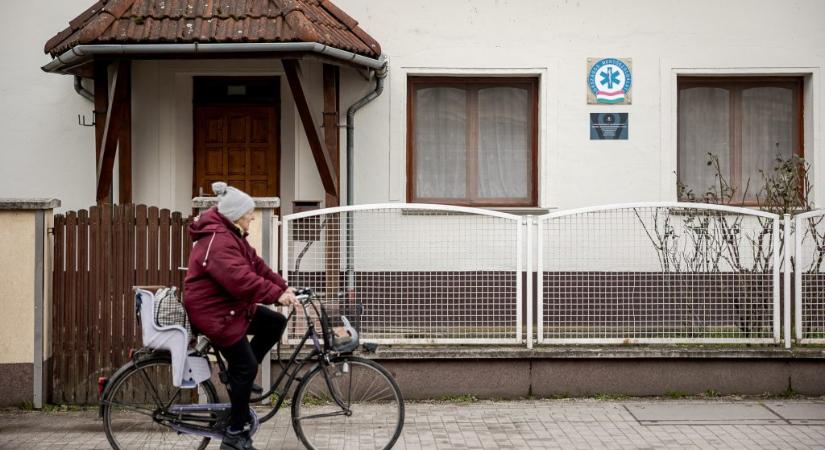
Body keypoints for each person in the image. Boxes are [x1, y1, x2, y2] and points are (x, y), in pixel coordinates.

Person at [184, 181, 298, 450]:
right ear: (236, 216)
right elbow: (241, 280)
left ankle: (239, 379)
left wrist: (283, 286)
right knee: (246, 366)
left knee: (275, 322)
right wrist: (274, 295)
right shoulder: (218, 241)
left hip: (228, 307)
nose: (251, 223)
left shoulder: (231, 234)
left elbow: (256, 266)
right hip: (213, 312)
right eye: (249, 218)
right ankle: (234, 435)